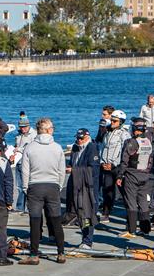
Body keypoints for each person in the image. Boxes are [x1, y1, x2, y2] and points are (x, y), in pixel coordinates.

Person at [21, 117, 66, 265]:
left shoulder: (30, 147)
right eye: (52, 127)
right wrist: (58, 186)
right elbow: (62, 171)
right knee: (56, 220)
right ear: (47, 130)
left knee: (35, 221)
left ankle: (34, 255)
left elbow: (25, 170)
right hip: (52, 185)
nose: (53, 129)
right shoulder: (57, 147)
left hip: (35, 186)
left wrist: (25, 187)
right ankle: (61, 253)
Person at [116, 117, 154, 239]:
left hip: (132, 175)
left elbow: (124, 161)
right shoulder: (149, 141)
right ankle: (146, 229)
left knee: (131, 202)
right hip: (145, 175)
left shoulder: (131, 142)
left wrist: (120, 175)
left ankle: (131, 230)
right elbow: (151, 160)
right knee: (143, 203)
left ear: (135, 130)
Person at [67, 129, 100, 249]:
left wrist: (74, 171)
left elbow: (93, 170)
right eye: (77, 138)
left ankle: (87, 240)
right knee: (79, 212)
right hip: (76, 184)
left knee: (88, 213)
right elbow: (72, 162)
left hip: (88, 187)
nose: (79, 140)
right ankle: (84, 238)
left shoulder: (92, 148)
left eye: (81, 138)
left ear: (87, 137)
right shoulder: (76, 147)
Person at [99, 109, 130, 223]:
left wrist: (114, 164)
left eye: (115, 121)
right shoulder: (107, 133)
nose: (112, 122)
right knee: (107, 190)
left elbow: (124, 152)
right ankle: (106, 213)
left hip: (117, 167)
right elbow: (103, 148)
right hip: (106, 166)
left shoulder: (124, 134)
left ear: (121, 122)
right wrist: (102, 162)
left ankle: (129, 215)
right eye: (111, 120)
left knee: (124, 191)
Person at [11, 112, 37, 212]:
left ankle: (28, 207)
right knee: (19, 186)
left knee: (27, 186)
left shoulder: (33, 134)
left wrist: (19, 149)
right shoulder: (18, 135)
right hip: (18, 162)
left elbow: (32, 148)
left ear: (28, 125)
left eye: (24, 127)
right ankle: (20, 207)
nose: (23, 129)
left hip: (28, 164)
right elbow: (16, 146)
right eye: (21, 127)